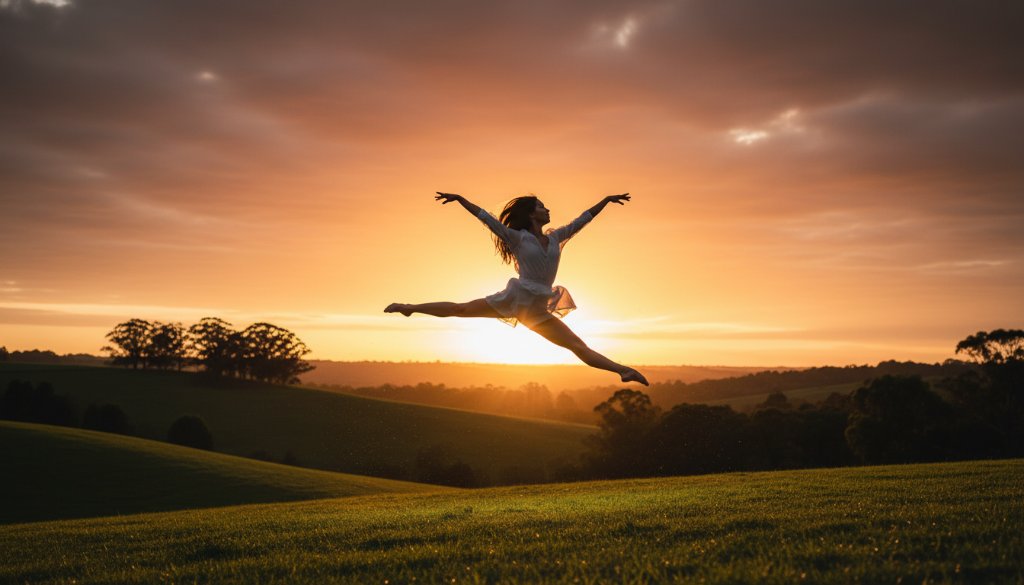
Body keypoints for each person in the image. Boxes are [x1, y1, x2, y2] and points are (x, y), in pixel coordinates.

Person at [385, 192, 649, 385]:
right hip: (516, 298)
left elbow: (583, 220)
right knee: (460, 309)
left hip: (537, 311)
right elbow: (486, 219)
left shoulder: (556, 237)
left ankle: (623, 371)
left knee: (577, 345)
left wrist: (605, 200)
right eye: (542, 206)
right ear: (532, 213)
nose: (548, 210)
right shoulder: (517, 237)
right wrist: (461, 199)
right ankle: (409, 308)